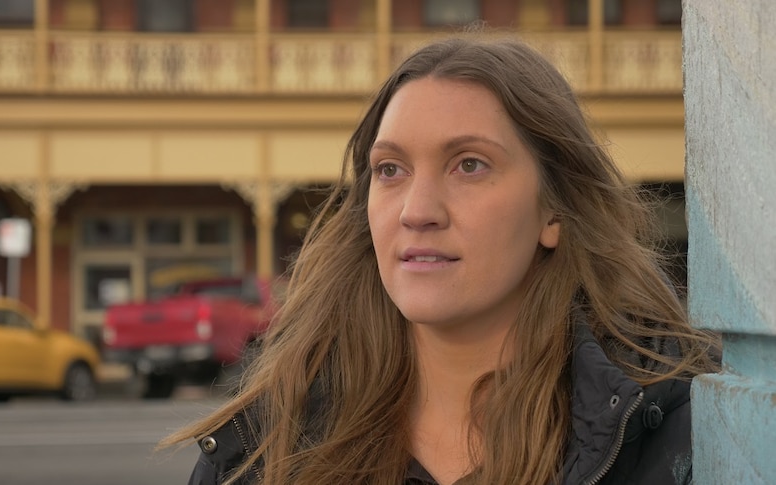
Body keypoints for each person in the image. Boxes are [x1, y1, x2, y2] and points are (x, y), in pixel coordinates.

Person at [161, 35, 719, 485]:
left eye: (469, 165)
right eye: (390, 170)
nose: (417, 211)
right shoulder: (265, 444)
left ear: (554, 210)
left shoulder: (681, 434)